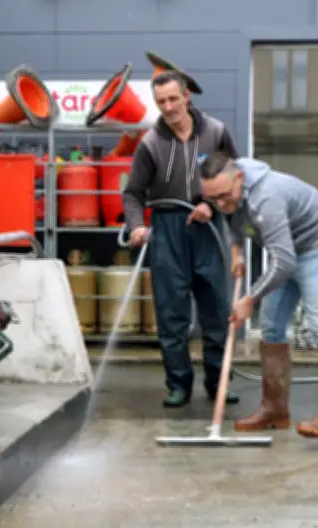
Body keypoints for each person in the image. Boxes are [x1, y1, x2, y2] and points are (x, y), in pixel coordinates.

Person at [199, 152, 318, 446]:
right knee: (270, 327)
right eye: (212, 199)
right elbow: (232, 219)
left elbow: (284, 263)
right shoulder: (231, 193)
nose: (220, 204)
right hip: (289, 249)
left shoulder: (266, 198)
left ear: (239, 178)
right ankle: (275, 409)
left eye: (224, 195)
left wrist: (250, 298)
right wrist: (236, 252)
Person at [122, 70, 241, 408]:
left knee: (216, 310)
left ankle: (219, 382)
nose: (168, 107)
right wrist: (135, 226)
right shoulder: (150, 143)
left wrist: (211, 204)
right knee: (171, 313)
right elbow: (133, 193)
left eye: (174, 98)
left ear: (187, 96)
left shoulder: (216, 132)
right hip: (167, 228)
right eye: (161, 102)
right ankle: (179, 385)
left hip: (208, 227)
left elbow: (235, 175)